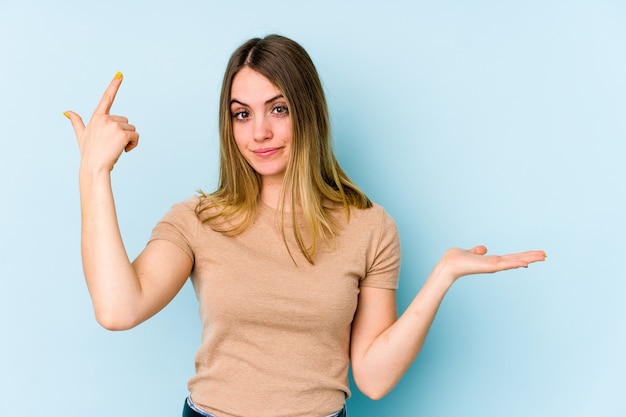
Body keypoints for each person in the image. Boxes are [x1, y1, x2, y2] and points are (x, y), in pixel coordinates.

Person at [64, 34, 546, 417]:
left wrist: (441, 277)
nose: (260, 133)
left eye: (278, 108)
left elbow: (373, 380)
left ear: (307, 112)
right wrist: (94, 173)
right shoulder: (198, 220)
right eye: (242, 114)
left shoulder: (370, 228)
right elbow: (116, 309)